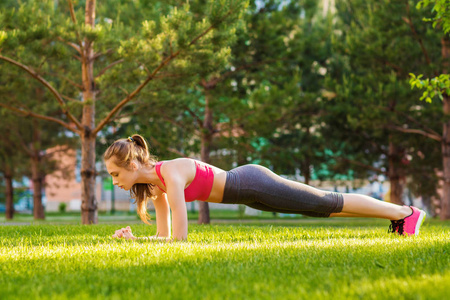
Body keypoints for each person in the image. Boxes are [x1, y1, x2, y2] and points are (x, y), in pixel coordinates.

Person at [105, 134, 426, 241]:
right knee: (320, 208)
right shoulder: (157, 189)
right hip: (251, 195)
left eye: (115, 174)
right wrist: (135, 241)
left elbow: (180, 240)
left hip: (253, 183)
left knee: (325, 201)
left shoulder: (170, 174)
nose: (114, 181)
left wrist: (146, 244)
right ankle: (398, 218)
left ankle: (405, 213)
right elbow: (164, 239)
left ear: (132, 165)